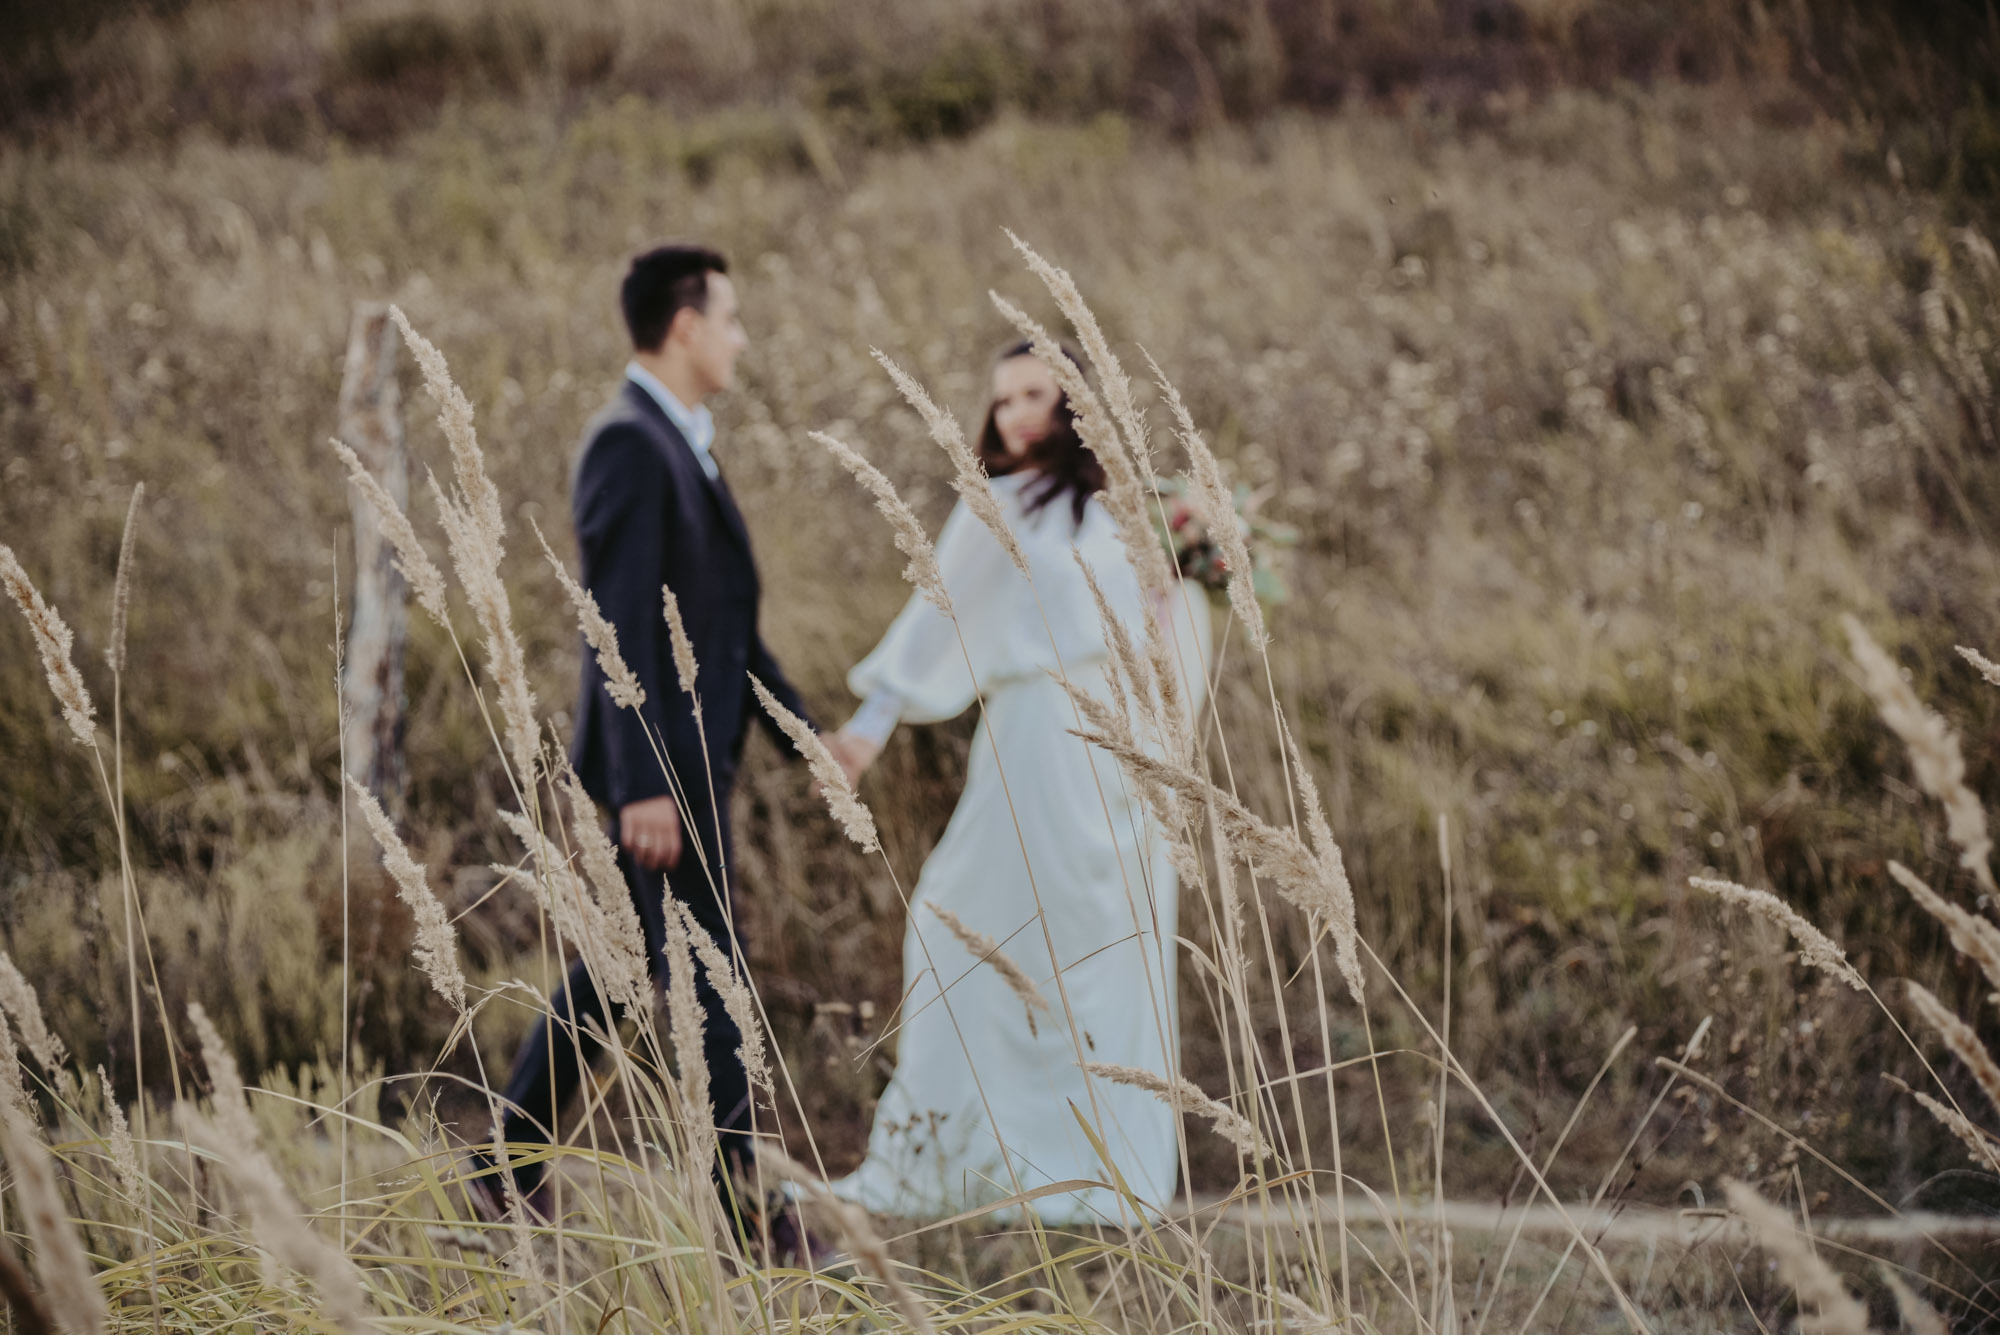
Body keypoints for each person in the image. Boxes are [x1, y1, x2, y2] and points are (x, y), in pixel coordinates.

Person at [472, 244, 842, 1260]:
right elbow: (616, 623)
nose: (739, 338)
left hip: (692, 760)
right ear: (683, 325)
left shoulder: (683, 441)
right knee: (709, 982)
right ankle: (745, 1219)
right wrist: (640, 786)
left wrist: (803, 738)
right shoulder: (629, 444)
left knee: (618, 970)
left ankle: (504, 1164)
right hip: (661, 773)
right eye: (729, 318)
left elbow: (727, 631)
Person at [825, 342, 1213, 1226]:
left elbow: (1173, 628)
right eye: (1003, 401)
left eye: (1036, 393)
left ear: (1075, 398)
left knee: (1107, 943)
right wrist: (863, 734)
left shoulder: (1135, 510)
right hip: (1036, 742)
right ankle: (964, 1144)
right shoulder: (997, 504)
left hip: (1126, 753)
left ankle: (1099, 1156)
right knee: (964, 922)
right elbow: (933, 618)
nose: (1018, 414)